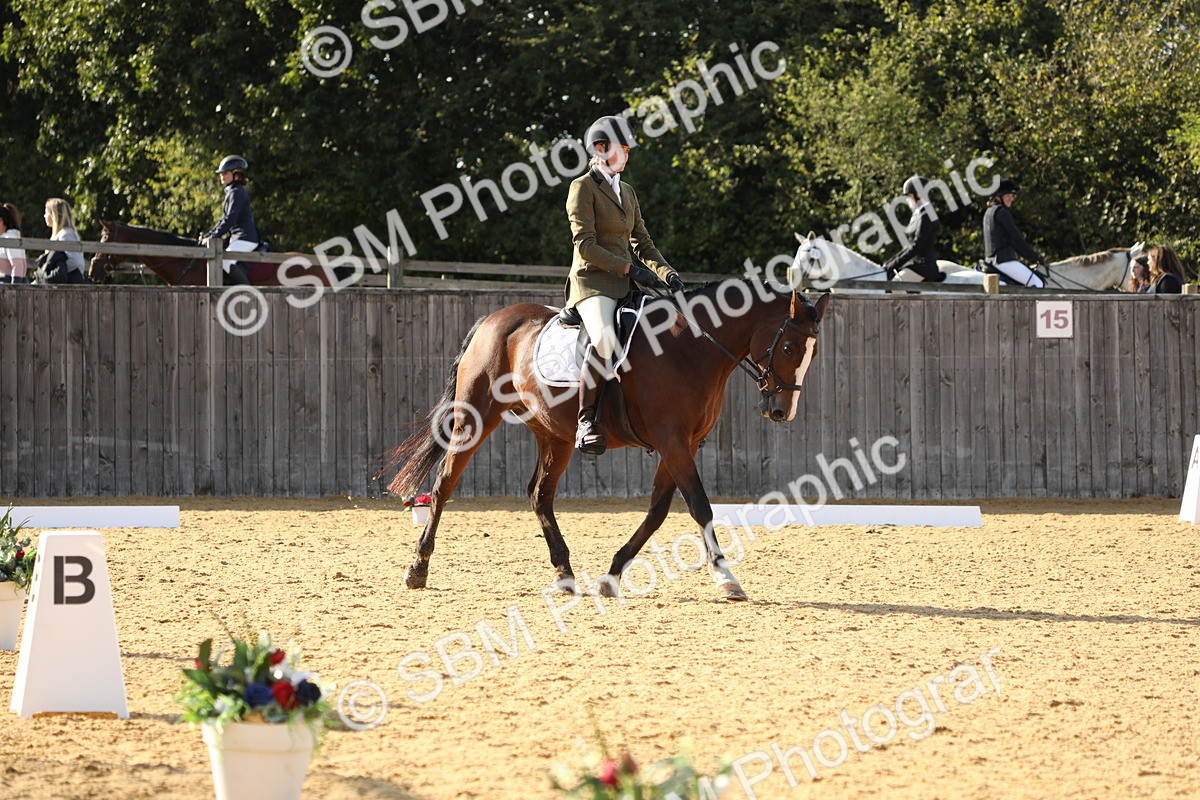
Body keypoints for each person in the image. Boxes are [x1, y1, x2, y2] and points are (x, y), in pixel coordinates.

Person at [565, 115, 683, 455]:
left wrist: (667, 273)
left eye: (629, 151)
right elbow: (585, 245)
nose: (627, 157)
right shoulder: (582, 188)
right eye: (623, 150)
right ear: (601, 149)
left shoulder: (627, 192)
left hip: (629, 283)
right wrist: (630, 269)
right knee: (604, 339)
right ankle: (586, 420)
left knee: (667, 332)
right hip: (593, 284)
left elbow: (644, 242)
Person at [199, 155, 260, 285]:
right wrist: (209, 234)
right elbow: (223, 220)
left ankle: (248, 290)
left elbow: (229, 220)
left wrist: (212, 237)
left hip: (245, 238)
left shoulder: (236, 192)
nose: (222, 176)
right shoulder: (232, 191)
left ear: (236, 175)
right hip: (237, 237)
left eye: (225, 173)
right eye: (221, 173)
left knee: (224, 261)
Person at [982, 179, 1045, 288]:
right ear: (997, 197)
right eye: (1007, 195)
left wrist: (1030, 257)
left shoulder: (989, 212)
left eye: (1012, 195)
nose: (1011, 198)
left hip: (992, 260)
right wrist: (1034, 257)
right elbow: (1016, 239)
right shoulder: (1002, 212)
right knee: (1038, 283)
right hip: (1003, 261)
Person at [883, 175, 946, 282]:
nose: (907, 200)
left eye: (909, 196)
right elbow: (908, 246)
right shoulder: (918, 214)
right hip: (916, 264)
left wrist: (893, 265)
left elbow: (917, 245)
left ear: (918, 194)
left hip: (924, 266)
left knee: (895, 283)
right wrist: (889, 263)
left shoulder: (927, 215)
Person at [36, 198, 87, 284]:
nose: (44, 216)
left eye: (46, 212)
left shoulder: (66, 234)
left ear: (53, 214)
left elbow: (74, 260)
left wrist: (53, 271)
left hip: (69, 283)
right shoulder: (60, 234)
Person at [0, 204, 30, 284]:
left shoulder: (10, 238)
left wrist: (14, 289)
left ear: (1, 221)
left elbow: (18, 265)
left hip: (8, 284)